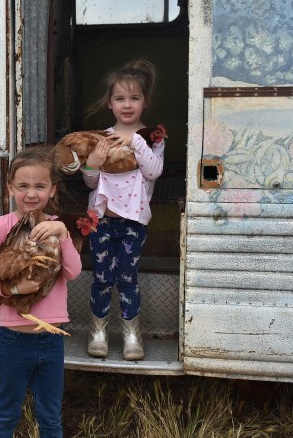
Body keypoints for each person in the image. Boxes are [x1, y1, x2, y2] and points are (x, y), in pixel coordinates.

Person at [0, 145, 82, 438]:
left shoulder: (56, 227)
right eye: (23, 186)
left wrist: (64, 235)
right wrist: (14, 289)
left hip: (52, 338)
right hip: (13, 338)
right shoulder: (3, 226)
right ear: (10, 188)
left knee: (50, 415)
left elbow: (73, 272)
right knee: (7, 412)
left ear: (52, 190)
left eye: (39, 186)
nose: (31, 194)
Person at [81, 59, 165, 361]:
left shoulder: (152, 137)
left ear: (145, 101)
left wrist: (136, 142)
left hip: (133, 223)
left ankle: (132, 334)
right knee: (102, 278)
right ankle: (98, 332)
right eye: (120, 98)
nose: (127, 105)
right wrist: (93, 163)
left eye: (134, 98)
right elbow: (92, 183)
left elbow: (154, 172)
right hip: (101, 222)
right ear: (110, 103)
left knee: (128, 278)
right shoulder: (100, 138)